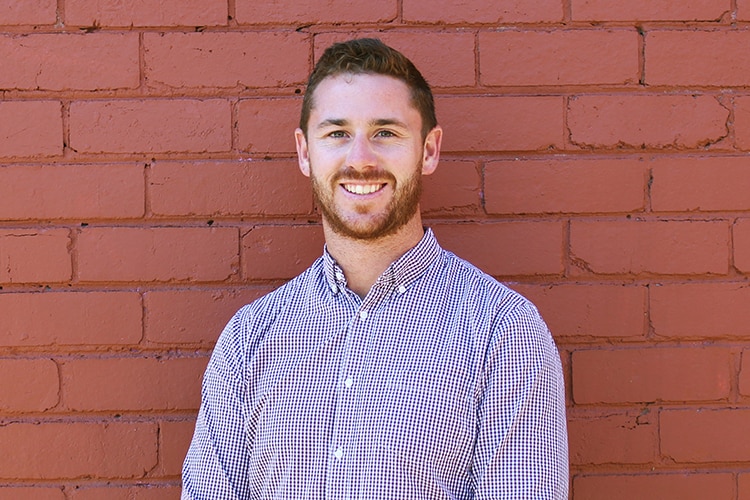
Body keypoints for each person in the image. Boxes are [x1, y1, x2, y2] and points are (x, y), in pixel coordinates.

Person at [182, 38, 569, 499]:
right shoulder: (251, 338)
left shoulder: (503, 333)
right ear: (305, 153)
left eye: (385, 132)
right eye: (337, 133)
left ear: (428, 150)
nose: (361, 160)